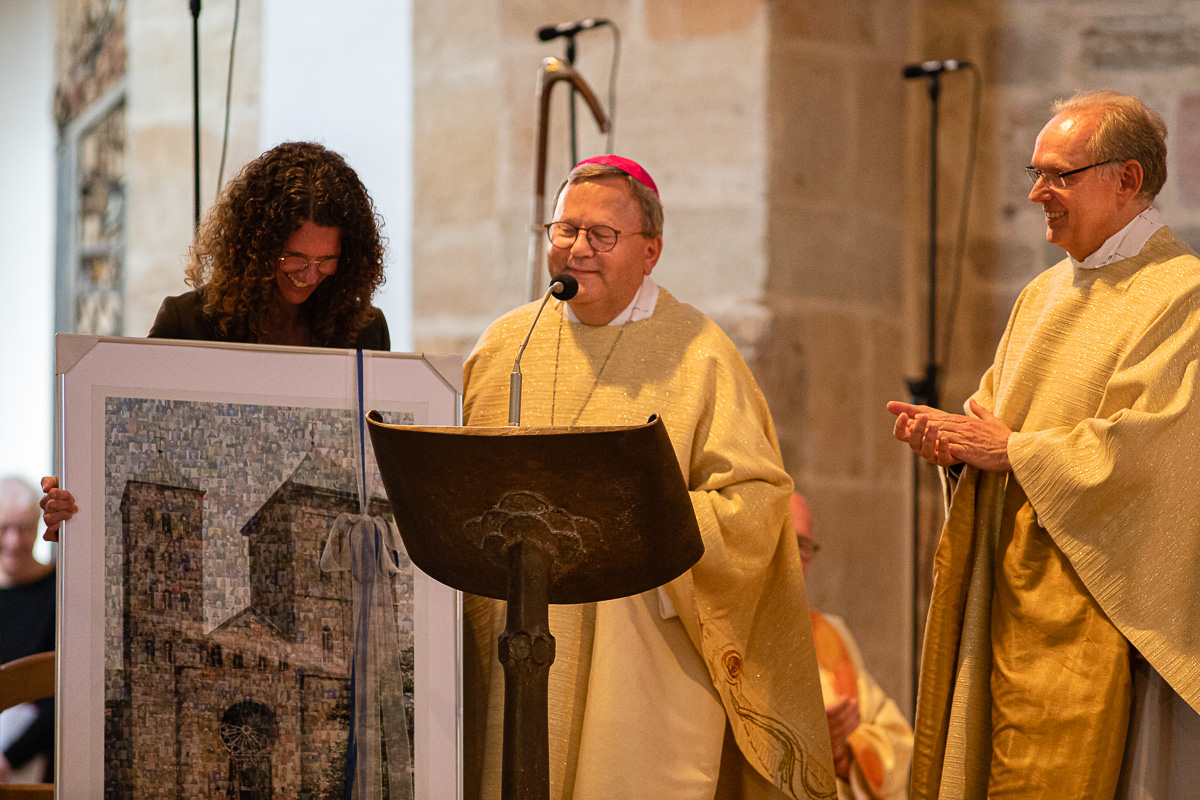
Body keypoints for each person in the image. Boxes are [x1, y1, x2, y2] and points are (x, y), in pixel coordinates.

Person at [461, 154, 836, 799]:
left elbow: (755, 503)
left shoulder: (699, 353)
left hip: (637, 656)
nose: (576, 250)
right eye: (563, 231)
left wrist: (636, 523)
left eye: (600, 236)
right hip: (509, 638)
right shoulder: (506, 347)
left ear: (650, 251)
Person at [888, 91, 1200, 799]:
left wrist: (1015, 453)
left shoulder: (1183, 294)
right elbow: (995, 423)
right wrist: (957, 448)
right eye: (1036, 173)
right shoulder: (1042, 295)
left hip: (1108, 614)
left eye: (1060, 175)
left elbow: (1160, 451)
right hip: (1011, 594)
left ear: (1127, 179)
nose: (1037, 194)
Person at [40, 141, 391, 539]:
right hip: (207, 536)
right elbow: (135, 448)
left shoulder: (365, 331)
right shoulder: (188, 323)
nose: (310, 275)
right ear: (256, 247)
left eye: (326, 260)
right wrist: (77, 498)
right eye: (293, 258)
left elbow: (376, 469)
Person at [792, 494, 912, 800]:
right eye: (782, 541)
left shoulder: (830, 635)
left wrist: (844, 755)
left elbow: (897, 739)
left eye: (802, 547)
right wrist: (806, 739)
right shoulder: (729, 638)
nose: (792, 559)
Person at [0, 477, 56, 785]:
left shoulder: (57, 590)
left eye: (24, 528)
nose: (14, 541)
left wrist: (10, 757)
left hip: (35, 762)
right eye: (4, 528)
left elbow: (61, 692)